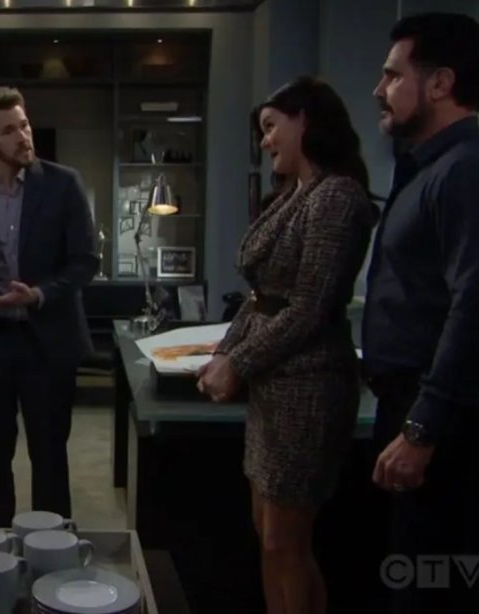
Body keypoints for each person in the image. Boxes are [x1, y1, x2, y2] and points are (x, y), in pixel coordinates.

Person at [363, 13, 479, 614]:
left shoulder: (474, 173)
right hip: (410, 406)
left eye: (392, 75)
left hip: (444, 424)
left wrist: (422, 428)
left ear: (440, 83)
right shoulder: (429, 169)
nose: (379, 89)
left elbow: (478, 310)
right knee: (409, 577)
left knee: (432, 588)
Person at [198, 77, 379, 614]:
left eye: (271, 127)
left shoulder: (337, 196)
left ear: (306, 120)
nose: (265, 141)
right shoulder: (296, 193)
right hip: (273, 389)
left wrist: (238, 363)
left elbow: (309, 308)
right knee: (268, 534)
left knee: (286, 541)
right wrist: (224, 353)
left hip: (309, 388)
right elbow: (261, 297)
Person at [0, 85, 98, 527]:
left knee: (50, 459)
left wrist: (39, 294)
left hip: (46, 342)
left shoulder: (64, 184)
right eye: (8, 131)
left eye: (24, 125)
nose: (23, 136)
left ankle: (51, 558)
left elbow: (85, 261)